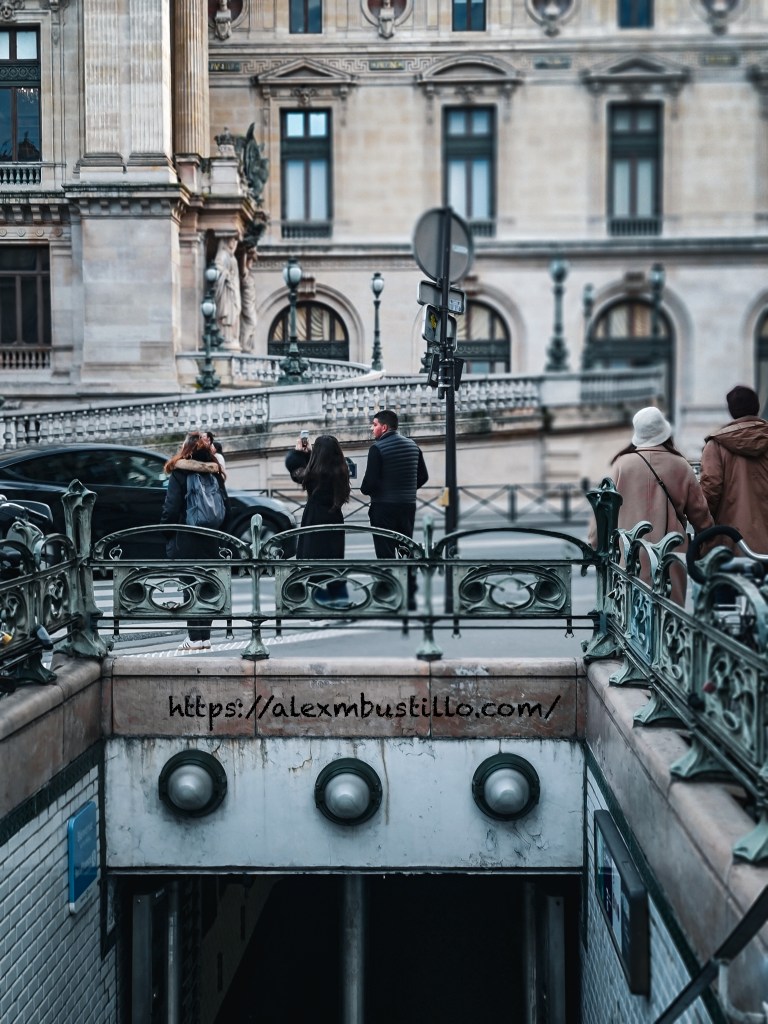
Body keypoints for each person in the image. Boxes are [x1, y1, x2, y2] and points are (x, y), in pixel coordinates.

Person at [589, 406, 713, 606]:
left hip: (630, 556)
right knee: (668, 620)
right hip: (671, 555)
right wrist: (707, 547)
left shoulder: (622, 465)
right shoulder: (681, 465)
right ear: (665, 433)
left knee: (630, 621)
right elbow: (701, 516)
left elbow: (602, 512)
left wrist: (595, 544)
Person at [160, 433, 229, 651]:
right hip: (211, 537)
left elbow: (170, 508)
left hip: (187, 535)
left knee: (190, 586)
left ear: (186, 449)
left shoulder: (180, 472)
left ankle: (194, 637)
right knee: (207, 586)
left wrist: (167, 531)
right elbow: (225, 504)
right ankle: (205, 637)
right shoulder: (215, 472)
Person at [360, 409, 429, 611]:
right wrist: (405, 489)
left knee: (386, 552)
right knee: (406, 549)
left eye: (374, 425)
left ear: (384, 427)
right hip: (407, 505)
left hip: (383, 507)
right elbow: (423, 476)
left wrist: (381, 489)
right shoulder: (413, 446)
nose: (372, 429)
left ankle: (390, 595)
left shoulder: (377, 448)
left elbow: (368, 485)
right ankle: (410, 597)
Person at [699, 385, 768, 554]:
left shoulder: (716, 445)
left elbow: (710, 490)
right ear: (757, 407)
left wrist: (704, 529)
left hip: (734, 539)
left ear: (731, 410)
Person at [286, 433, 351, 606]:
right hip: (335, 517)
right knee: (334, 561)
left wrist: (298, 453)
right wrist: (308, 455)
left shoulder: (315, 474)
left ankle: (319, 602)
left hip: (315, 518)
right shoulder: (342, 469)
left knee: (315, 562)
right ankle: (340, 600)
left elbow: (297, 472)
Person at [213, 237, 241, 349]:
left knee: (233, 313)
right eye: (232, 240)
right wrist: (227, 275)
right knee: (227, 313)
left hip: (233, 288)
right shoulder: (222, 254)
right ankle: (225, 338)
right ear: (226, 240)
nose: (234, 242)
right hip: (226, 289)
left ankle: (230, 338)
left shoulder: (230, 255)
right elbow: (217, 267)